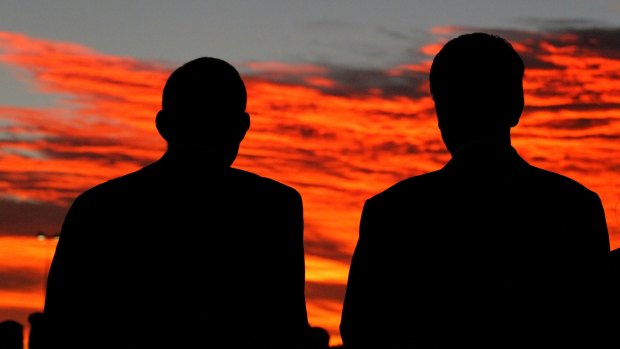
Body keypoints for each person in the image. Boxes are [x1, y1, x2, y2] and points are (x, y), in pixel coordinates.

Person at [340, 32, 611, 348]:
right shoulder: (574, 206)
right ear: (517, 105)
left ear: (442, 111)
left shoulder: (393, 212)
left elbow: (361, 332)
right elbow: (597, 326)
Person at [43, 57, 309, 349]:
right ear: (242, 126)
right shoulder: (274, 207)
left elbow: (61, 325)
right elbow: (287, 327)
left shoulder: (97, 207)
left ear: (163, 125)